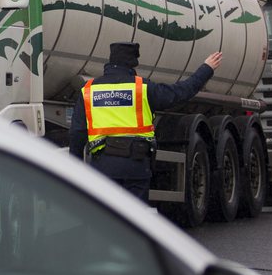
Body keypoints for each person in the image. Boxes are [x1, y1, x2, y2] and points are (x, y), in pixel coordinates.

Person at [69, 43, 223, 202]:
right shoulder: (142, 88)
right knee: (135, 219)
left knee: (106, 218)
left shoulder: (88, 91)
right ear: (132, 64)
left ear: (109, 62)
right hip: (136, 165)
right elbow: (180, 92)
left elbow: (77, 133)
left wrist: (76, 168)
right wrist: (206, 68)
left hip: (103, 166)